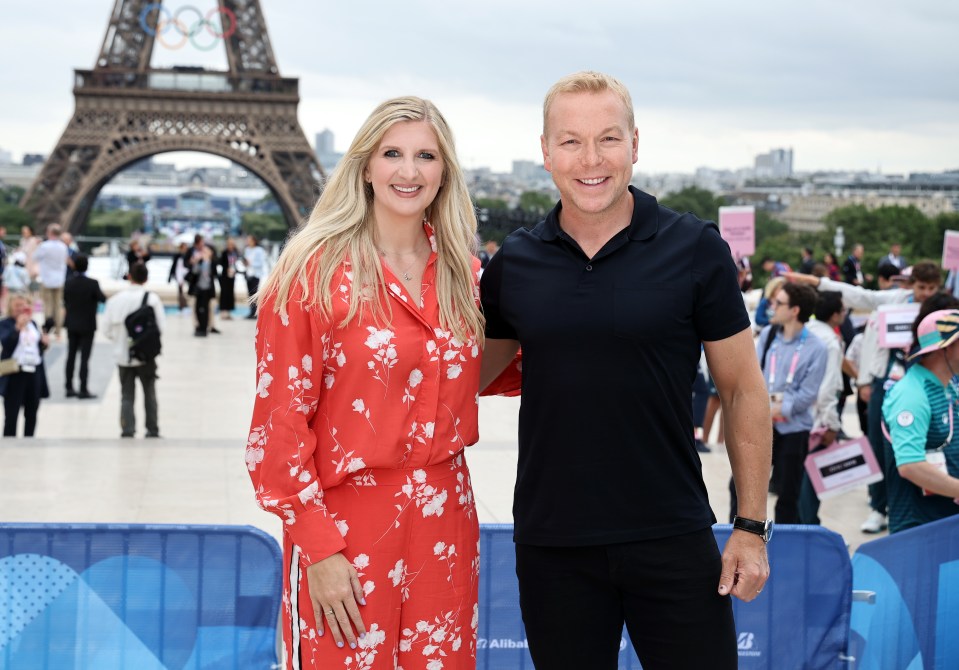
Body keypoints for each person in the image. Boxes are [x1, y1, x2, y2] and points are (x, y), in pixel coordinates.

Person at [479, 71, 771, 669]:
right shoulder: (515, 262)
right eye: (570, 141)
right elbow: (459, 380)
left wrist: (751, 525)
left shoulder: (695, 249)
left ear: (635, 145)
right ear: (544, 152)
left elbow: (742, 390)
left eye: (608, 139)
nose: (591, 159)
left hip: (672, 533)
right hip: (554, 543)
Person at [246, 96, 489, 668]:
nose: (409, 171)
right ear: (364, 165)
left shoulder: (468, 277)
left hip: (446, 523)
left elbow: (510, 372)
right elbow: (277, 427)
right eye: (393, 154)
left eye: (426, 155)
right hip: (345, 531)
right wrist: (319, 547)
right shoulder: (312, 273)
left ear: (445, 172)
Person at [786, 261, 942, 533]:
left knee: (918, 449)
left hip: (925, 382)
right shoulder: (895, 299)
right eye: (921, 287)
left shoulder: (942, 309)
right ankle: (877, 507)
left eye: (931, 288)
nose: (926, 294)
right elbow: (858, 295)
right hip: (887, 381)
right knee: (879, 446)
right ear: (910, 284)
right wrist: (818, 283)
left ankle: (914, 507)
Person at [738, 282, 826, 524]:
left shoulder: (817, 347)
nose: (772, 307)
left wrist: (779, 409)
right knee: (740, 486)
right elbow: (754, 373)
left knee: (788, 494)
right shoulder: (768, 335)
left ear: (795, 310)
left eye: (778, 303)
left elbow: (808, 394)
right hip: (763, 425)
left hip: (794, 429)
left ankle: (785, 547)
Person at [882, 309, 959, 533]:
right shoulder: (911, 394)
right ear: (946, 348)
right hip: (920, 529)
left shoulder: (948, 385)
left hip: (945, 520)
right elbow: (910, 466)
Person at [103, 262, 164, 438]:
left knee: (126, 395)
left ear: (129, 276)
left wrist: (120, 340)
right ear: (146, 278)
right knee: (150, 393)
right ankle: (152, 429)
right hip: (146, 356)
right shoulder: (152, 299)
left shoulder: (115, 300)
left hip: (123, 355)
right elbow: (161, 328)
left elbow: (106, 329)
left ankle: (127, 429)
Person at [0, 293, 50, 436]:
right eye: (17, 305)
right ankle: (9, 440)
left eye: (24, 305)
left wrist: (44, 344)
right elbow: (7, 344)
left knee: (32, 411)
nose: (21, 308)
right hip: (15, 372)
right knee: (11, 413)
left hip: (33, 371)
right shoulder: (6, 324)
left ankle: (30, 439)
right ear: (11, 307)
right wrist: (17, 327)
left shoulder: (33, 323)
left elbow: (35, 349)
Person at [62, 253, 106, 399]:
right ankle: (82, 388)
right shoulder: (92, 283)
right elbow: (102, 298)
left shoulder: (68, 282)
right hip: (87, 325)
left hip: (72, 323)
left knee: (71, 356)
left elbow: (66, 299)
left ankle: (68, 387)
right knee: (84, 358)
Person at [31, 223, 69, 338]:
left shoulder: (44, 246)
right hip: (59, 279)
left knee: (47, 306)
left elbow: (34, 257)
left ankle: (47, 329)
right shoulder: (63, 246)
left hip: (47, 279)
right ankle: (58, 331)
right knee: (58, 306)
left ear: (50, 232)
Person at [186, 238, 217, 337]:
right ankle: (199, 327)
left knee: (205, 310)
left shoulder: (212, 263)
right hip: (199, 288)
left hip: (207, 289)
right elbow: (194, 272)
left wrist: (208, 261)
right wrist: (196, 262)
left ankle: (204, 328)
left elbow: (214, 274)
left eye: (206, 251)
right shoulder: (200, 262)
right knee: (198, 309)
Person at [242, 234, 267, 319]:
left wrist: (251, 263)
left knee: (254, 293)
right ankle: (251, 311)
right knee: (249, 293)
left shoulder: (259, 250)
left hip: (256, 274)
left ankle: (255, 312)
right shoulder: (247, 250)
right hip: (249, 274)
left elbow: (261, 263)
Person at [217, 237, 239, 320]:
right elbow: (220, 262)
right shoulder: (224, 253)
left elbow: (235, 263)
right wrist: (226, 268)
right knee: (224, 293)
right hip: (225, 276)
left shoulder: (235, 253)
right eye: (229, 244)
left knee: (230, 293)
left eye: (232, 244)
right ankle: (223, 312)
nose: (231, 246)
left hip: (232, 276)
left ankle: (229, 311)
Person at [167, 241, 190, 311]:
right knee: (180, 290)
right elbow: (173, 266)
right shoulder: (177, 256)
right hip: (179, 274)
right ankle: (182, 304)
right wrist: (170, 276)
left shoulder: (188, 255)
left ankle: (187, 303)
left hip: (187, 274)